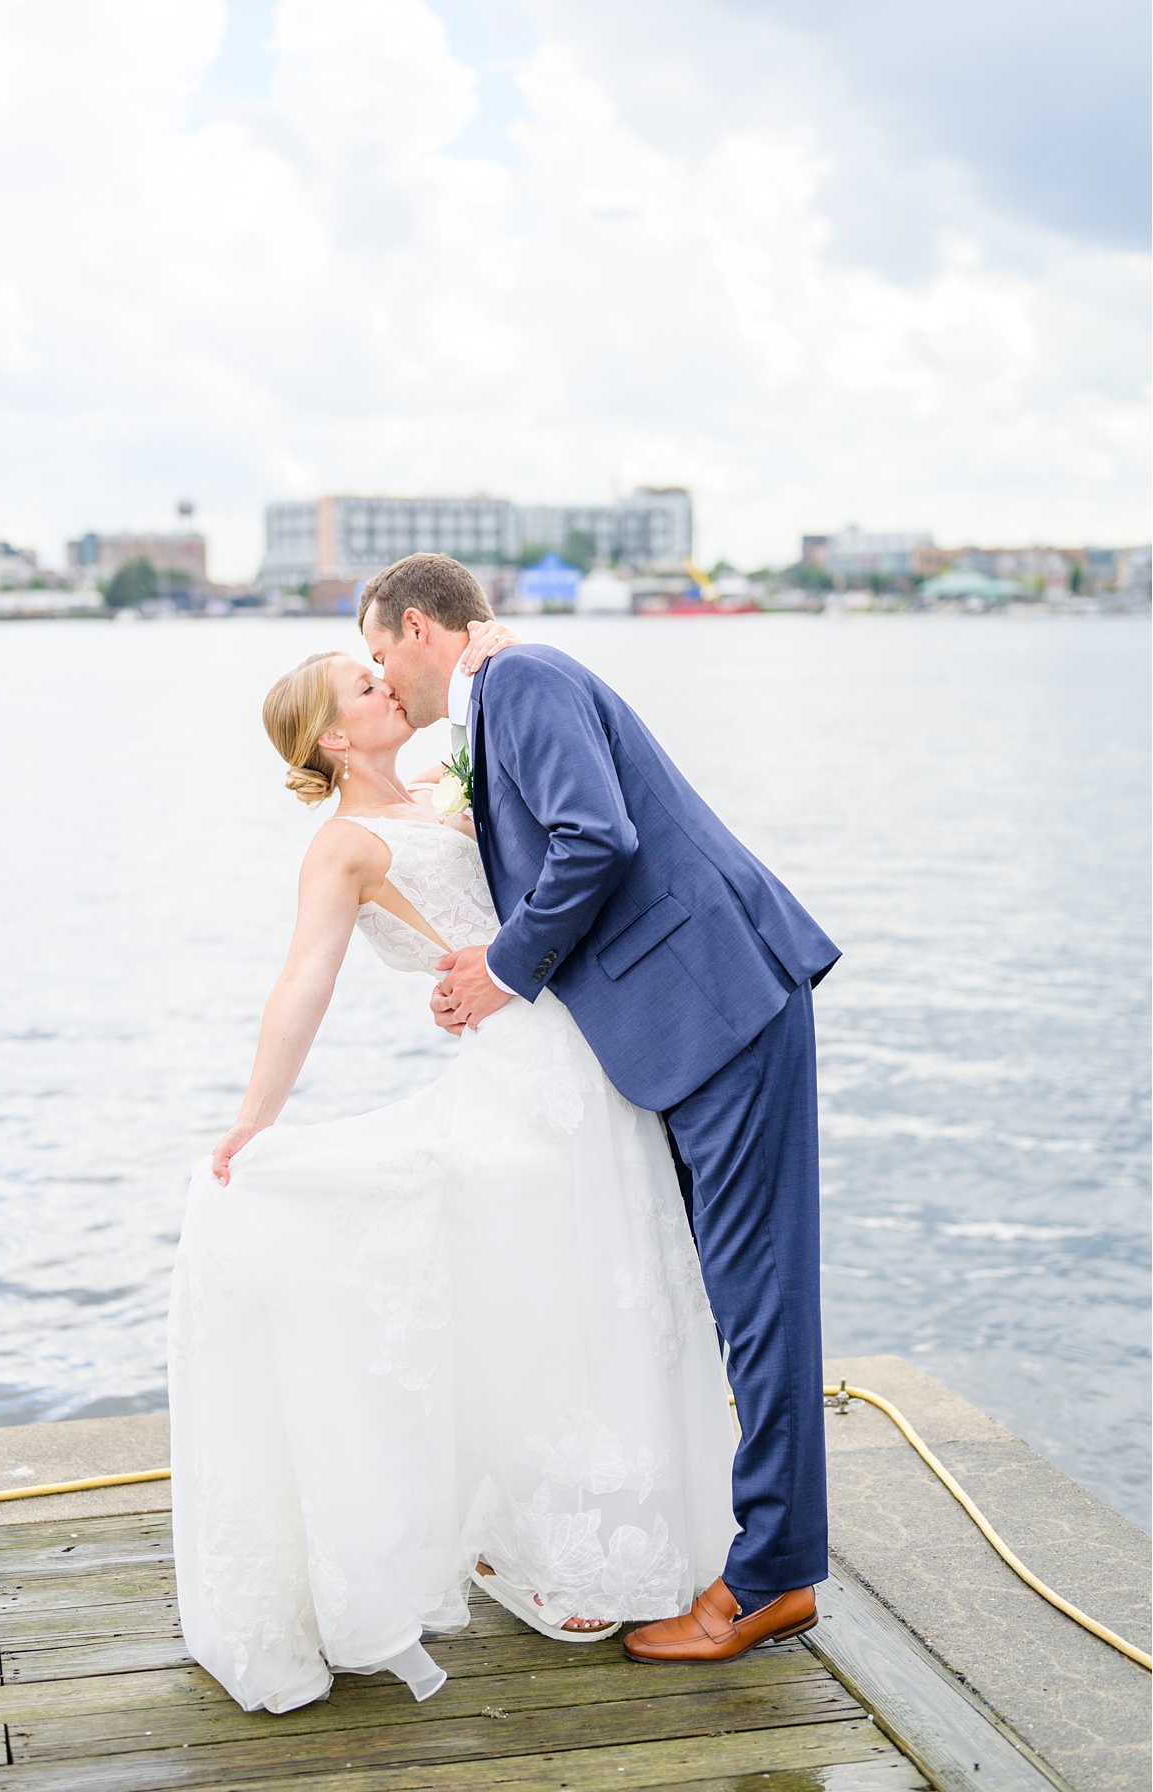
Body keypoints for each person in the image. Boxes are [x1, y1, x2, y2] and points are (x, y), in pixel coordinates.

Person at [173, 625, 740, 1713]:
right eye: (364, 682)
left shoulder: (446, 780)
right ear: (336, 737)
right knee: (542, 1299)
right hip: (514, 1080)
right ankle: (556, 1549)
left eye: (382, 663)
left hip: (588, 1051)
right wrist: (255, 1118)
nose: (386, 681)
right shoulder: (343, 845)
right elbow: (304, 983)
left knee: (621, 1290)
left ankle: (619, 1533)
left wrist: (494, 654)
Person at [359, 553, 840, 1664]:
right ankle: (758, 1550)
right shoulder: (504, 699)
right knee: (728, 1292)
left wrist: (507, 968)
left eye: (381, 653)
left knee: (759, 1301)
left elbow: (599, 836)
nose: (383, 677)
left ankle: (768, 1580)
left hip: (720, 1005)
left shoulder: (523, 685)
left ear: (421, 627)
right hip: (687, 1023)